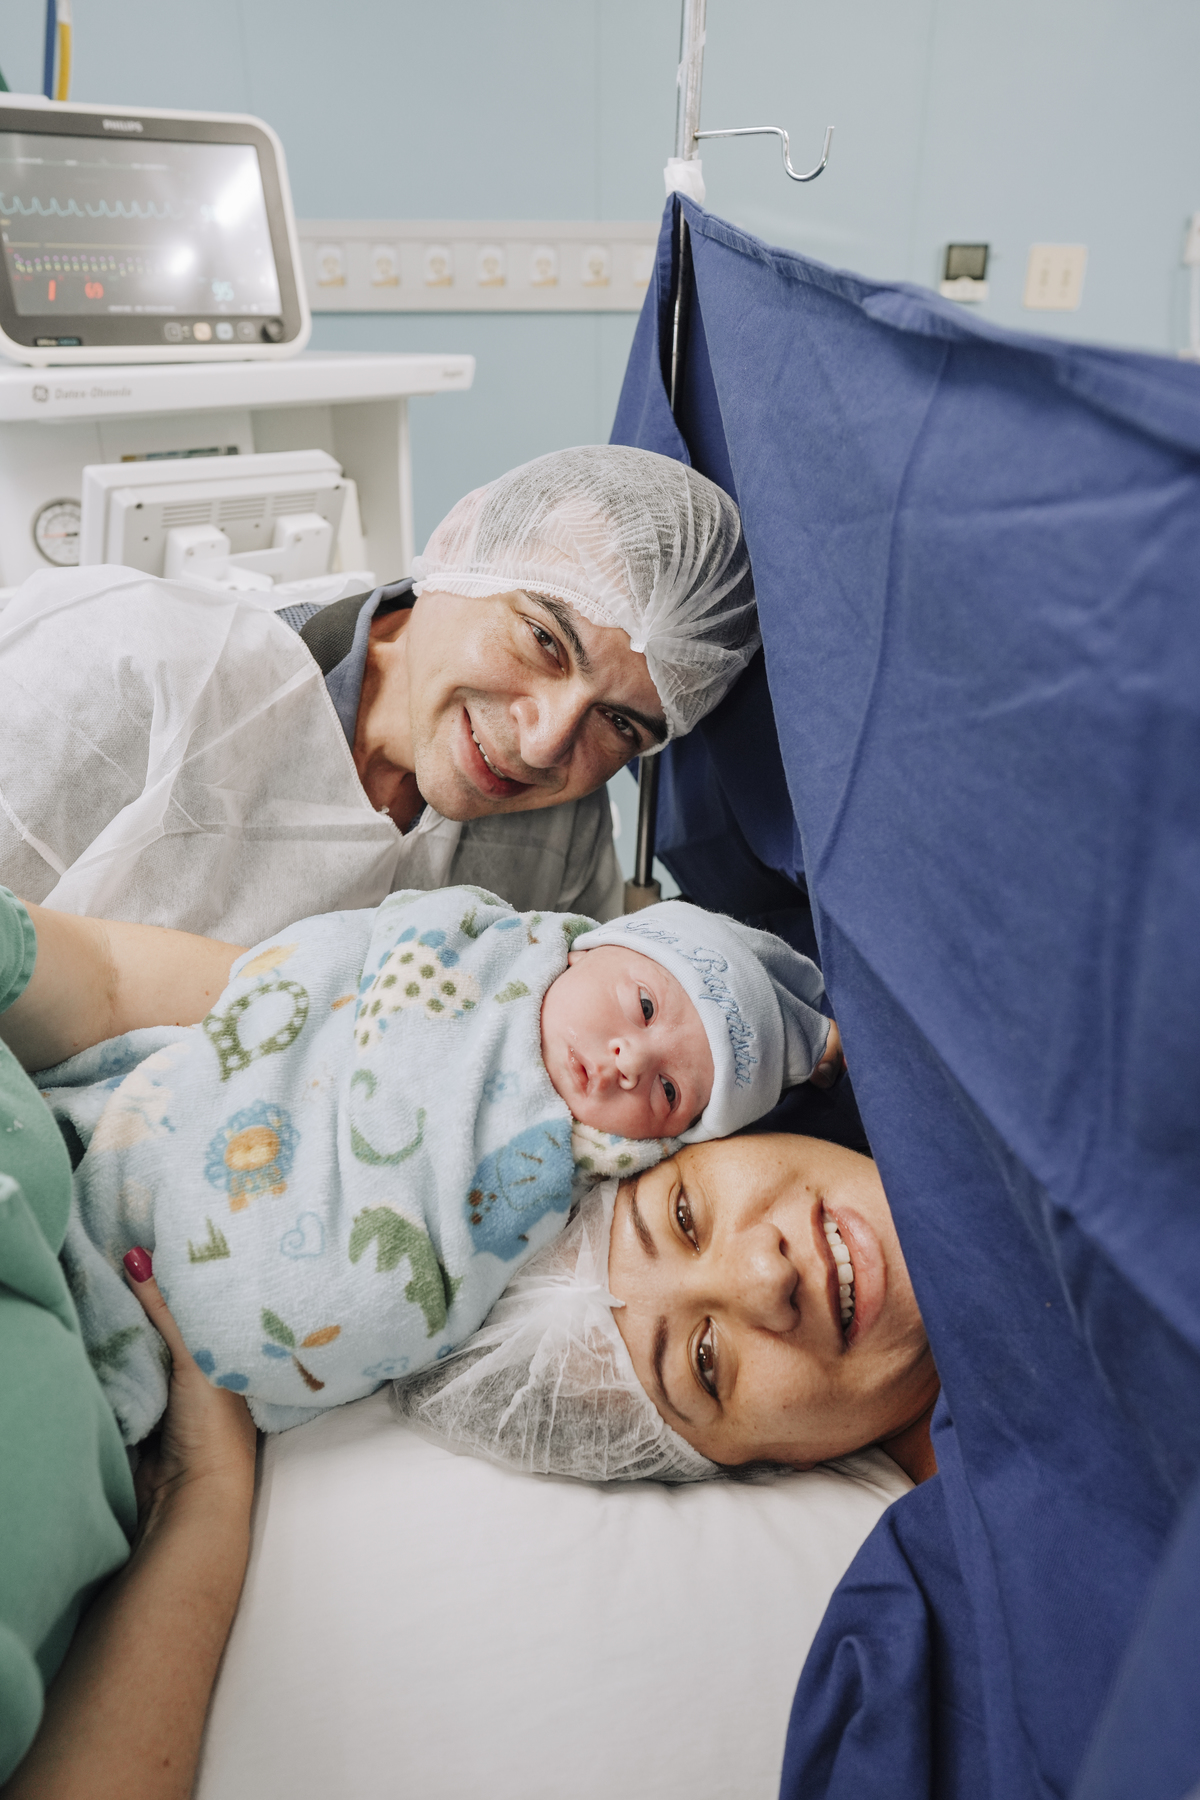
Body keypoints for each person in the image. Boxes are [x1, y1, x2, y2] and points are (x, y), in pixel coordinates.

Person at [9, 886, 841, 1443]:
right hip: (192, 1143)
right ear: (587, 948)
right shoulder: (468, 951)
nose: (629, 1059)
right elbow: (315, 976)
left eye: (667, 1089)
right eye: (645, 1005)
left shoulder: (582, 1176)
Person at [0, 446, 758, 943]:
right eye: (544, 640)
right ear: (463, 546)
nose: (544, 745)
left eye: (620, 723)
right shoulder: (123, 669)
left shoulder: (561, 832)